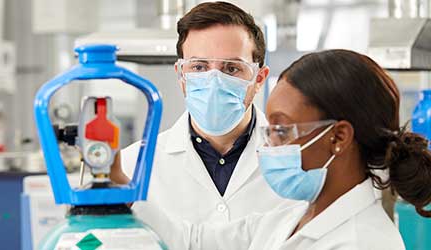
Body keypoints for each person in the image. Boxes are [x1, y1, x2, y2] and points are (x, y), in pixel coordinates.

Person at [132, 49, 431, 250]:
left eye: (282, 130)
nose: (269, 145)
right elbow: (192, 241)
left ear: (338, 137)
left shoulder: (363, 242)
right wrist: (121, 190)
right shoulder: (292, 217)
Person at [111, 1, 295, 224]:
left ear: (259, 78)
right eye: (199, 67)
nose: (214, 81)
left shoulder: (295, 162)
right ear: (181, 75)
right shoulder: (132, 166)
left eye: (231, 68)